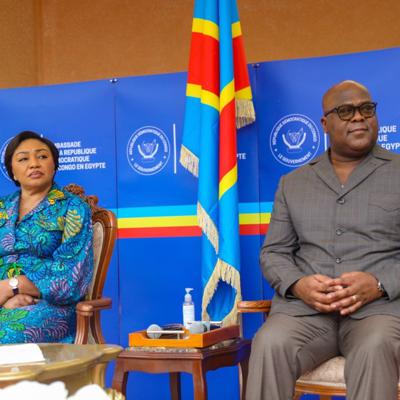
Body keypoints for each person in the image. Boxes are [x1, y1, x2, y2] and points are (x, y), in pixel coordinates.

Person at [247, 80, 400, 400]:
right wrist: (298, 284)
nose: (358, 117)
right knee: (269, 343)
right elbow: (273, 253)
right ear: (325, 123)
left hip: (379, 312)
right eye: (346, 111)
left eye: (366, 109)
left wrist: (379, 283)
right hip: (305, 314)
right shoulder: (293, 183)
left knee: (374, 347)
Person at [0, 131, 93, 343]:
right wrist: (4, 298)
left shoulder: (72, 208)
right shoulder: (2, 207)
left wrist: (13, 286)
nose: (34, 164)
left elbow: (71, 276)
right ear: (13, 172)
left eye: (42, 156)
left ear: (54, 165)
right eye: (23, 159)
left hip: (48, 307)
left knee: (6, 336)